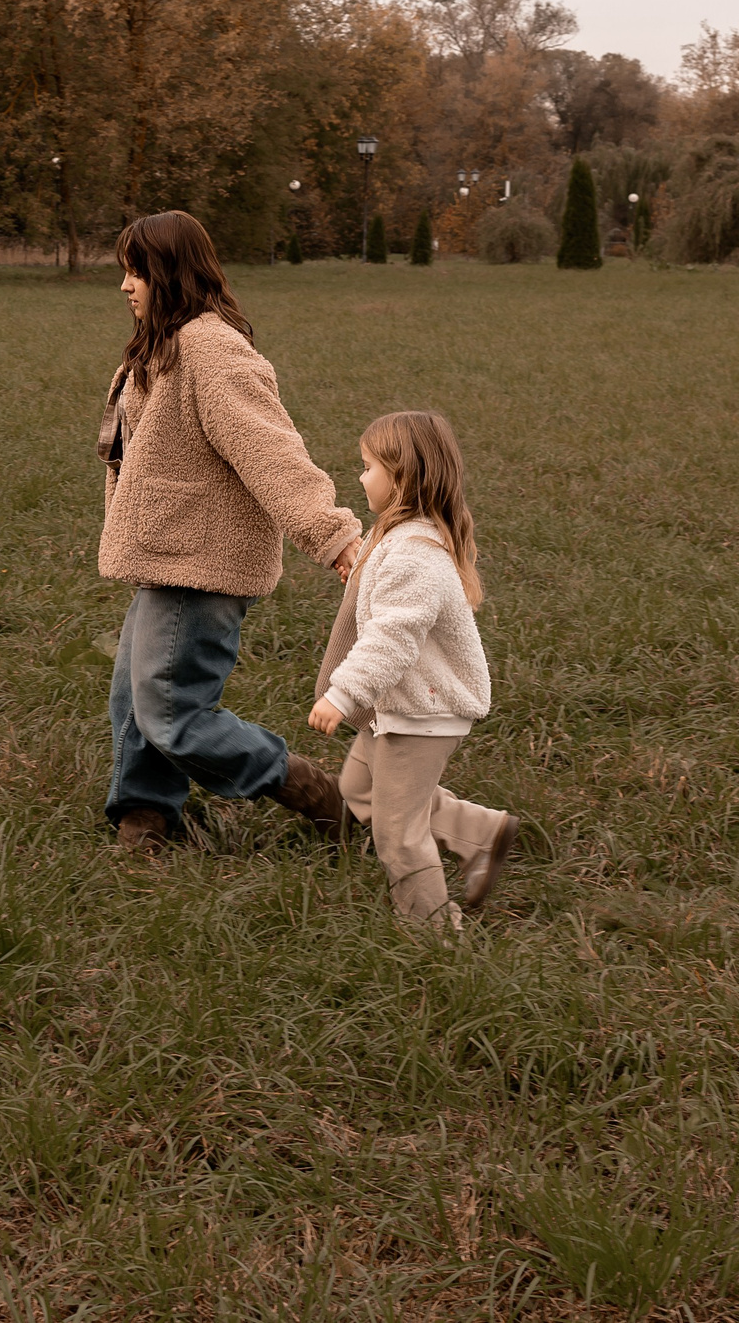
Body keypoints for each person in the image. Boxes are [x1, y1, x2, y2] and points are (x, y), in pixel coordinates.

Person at [96, 211, 361, 852]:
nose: (126, 286)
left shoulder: (211, 352)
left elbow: (271, 452)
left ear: (170, 273)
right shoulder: (165, 343)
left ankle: (316, 793)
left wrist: (331, 535)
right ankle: (147, 818)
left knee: (171, 712)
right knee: (134, 701)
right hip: (168, 553)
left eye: (137, 272)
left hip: (203, 563)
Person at [307, 410, 515, 927]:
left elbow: (392, 638)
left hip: (422, 712)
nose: (360, 478)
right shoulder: (397, 537)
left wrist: (342, 694)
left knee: (398, 834)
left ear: (401, 477)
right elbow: (384, 598)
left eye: (368, 467)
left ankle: (434, 935)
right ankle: (479, 833)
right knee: (359, 789)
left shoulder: (413, 555)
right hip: (399, 705)